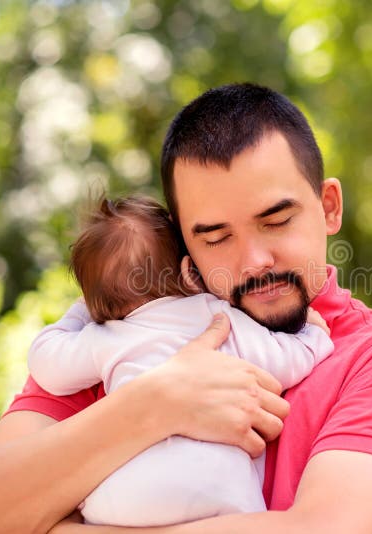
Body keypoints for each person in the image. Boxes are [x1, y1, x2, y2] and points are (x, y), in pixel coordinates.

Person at [0, 83, 372, 534]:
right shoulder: (127, 336)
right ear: (185, 248)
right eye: (215, 237)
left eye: (276, 221)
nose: (254, 261)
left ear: (328, 208)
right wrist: (158, 401)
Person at [27, 195, 334, 526]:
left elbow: (45, 362)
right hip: (217, 488)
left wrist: (82, 311)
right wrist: (314, 336)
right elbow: (285, 361)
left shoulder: (106, 337)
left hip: (125, 495)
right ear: (190, 271)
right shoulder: (217, 314)